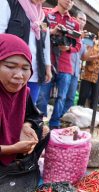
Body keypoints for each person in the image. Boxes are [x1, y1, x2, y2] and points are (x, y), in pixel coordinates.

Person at [0, 33, 49, 172]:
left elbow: (34, 115)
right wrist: (11, 149)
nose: (19, 75)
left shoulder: (23, 92)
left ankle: (15, 172)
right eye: (10, 66)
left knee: (43, 130)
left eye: (25, 68)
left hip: (12, 153)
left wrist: (26, 126)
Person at [36, 0, 81, 129]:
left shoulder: (74, 23)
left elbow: (78, 45)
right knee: (42, 96)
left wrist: (67, 48)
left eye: (72, 0)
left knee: (62, 97)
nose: (69, 1)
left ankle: (54, 125)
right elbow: (38, 32)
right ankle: (40, 124)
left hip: (66, 65)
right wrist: (52, 31)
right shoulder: (45, 13)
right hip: (47, 63)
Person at [0, 0, 52, 104]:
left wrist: (48, 66)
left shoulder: (43, 17)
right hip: (11, 70)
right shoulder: (10, 3)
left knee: (28, 108)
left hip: (34, 70)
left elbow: (45, 43)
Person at [78, 27, 99, 109]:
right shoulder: (90, 42)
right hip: (87, 75)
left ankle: (91, 120)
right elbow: (84, 58)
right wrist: (97, 56)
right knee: (82, 97)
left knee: (94, 101)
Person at [62, 10, 86, 115]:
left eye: (84, 20)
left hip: (76, 72)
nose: (82, 22)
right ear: (74, 19)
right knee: (62, 96)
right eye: (80, 19)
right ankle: (57, 119)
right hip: (66, 68)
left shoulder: (83, 39)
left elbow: (83, 56)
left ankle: (64, 117)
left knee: (71, 97)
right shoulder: (69, 32)